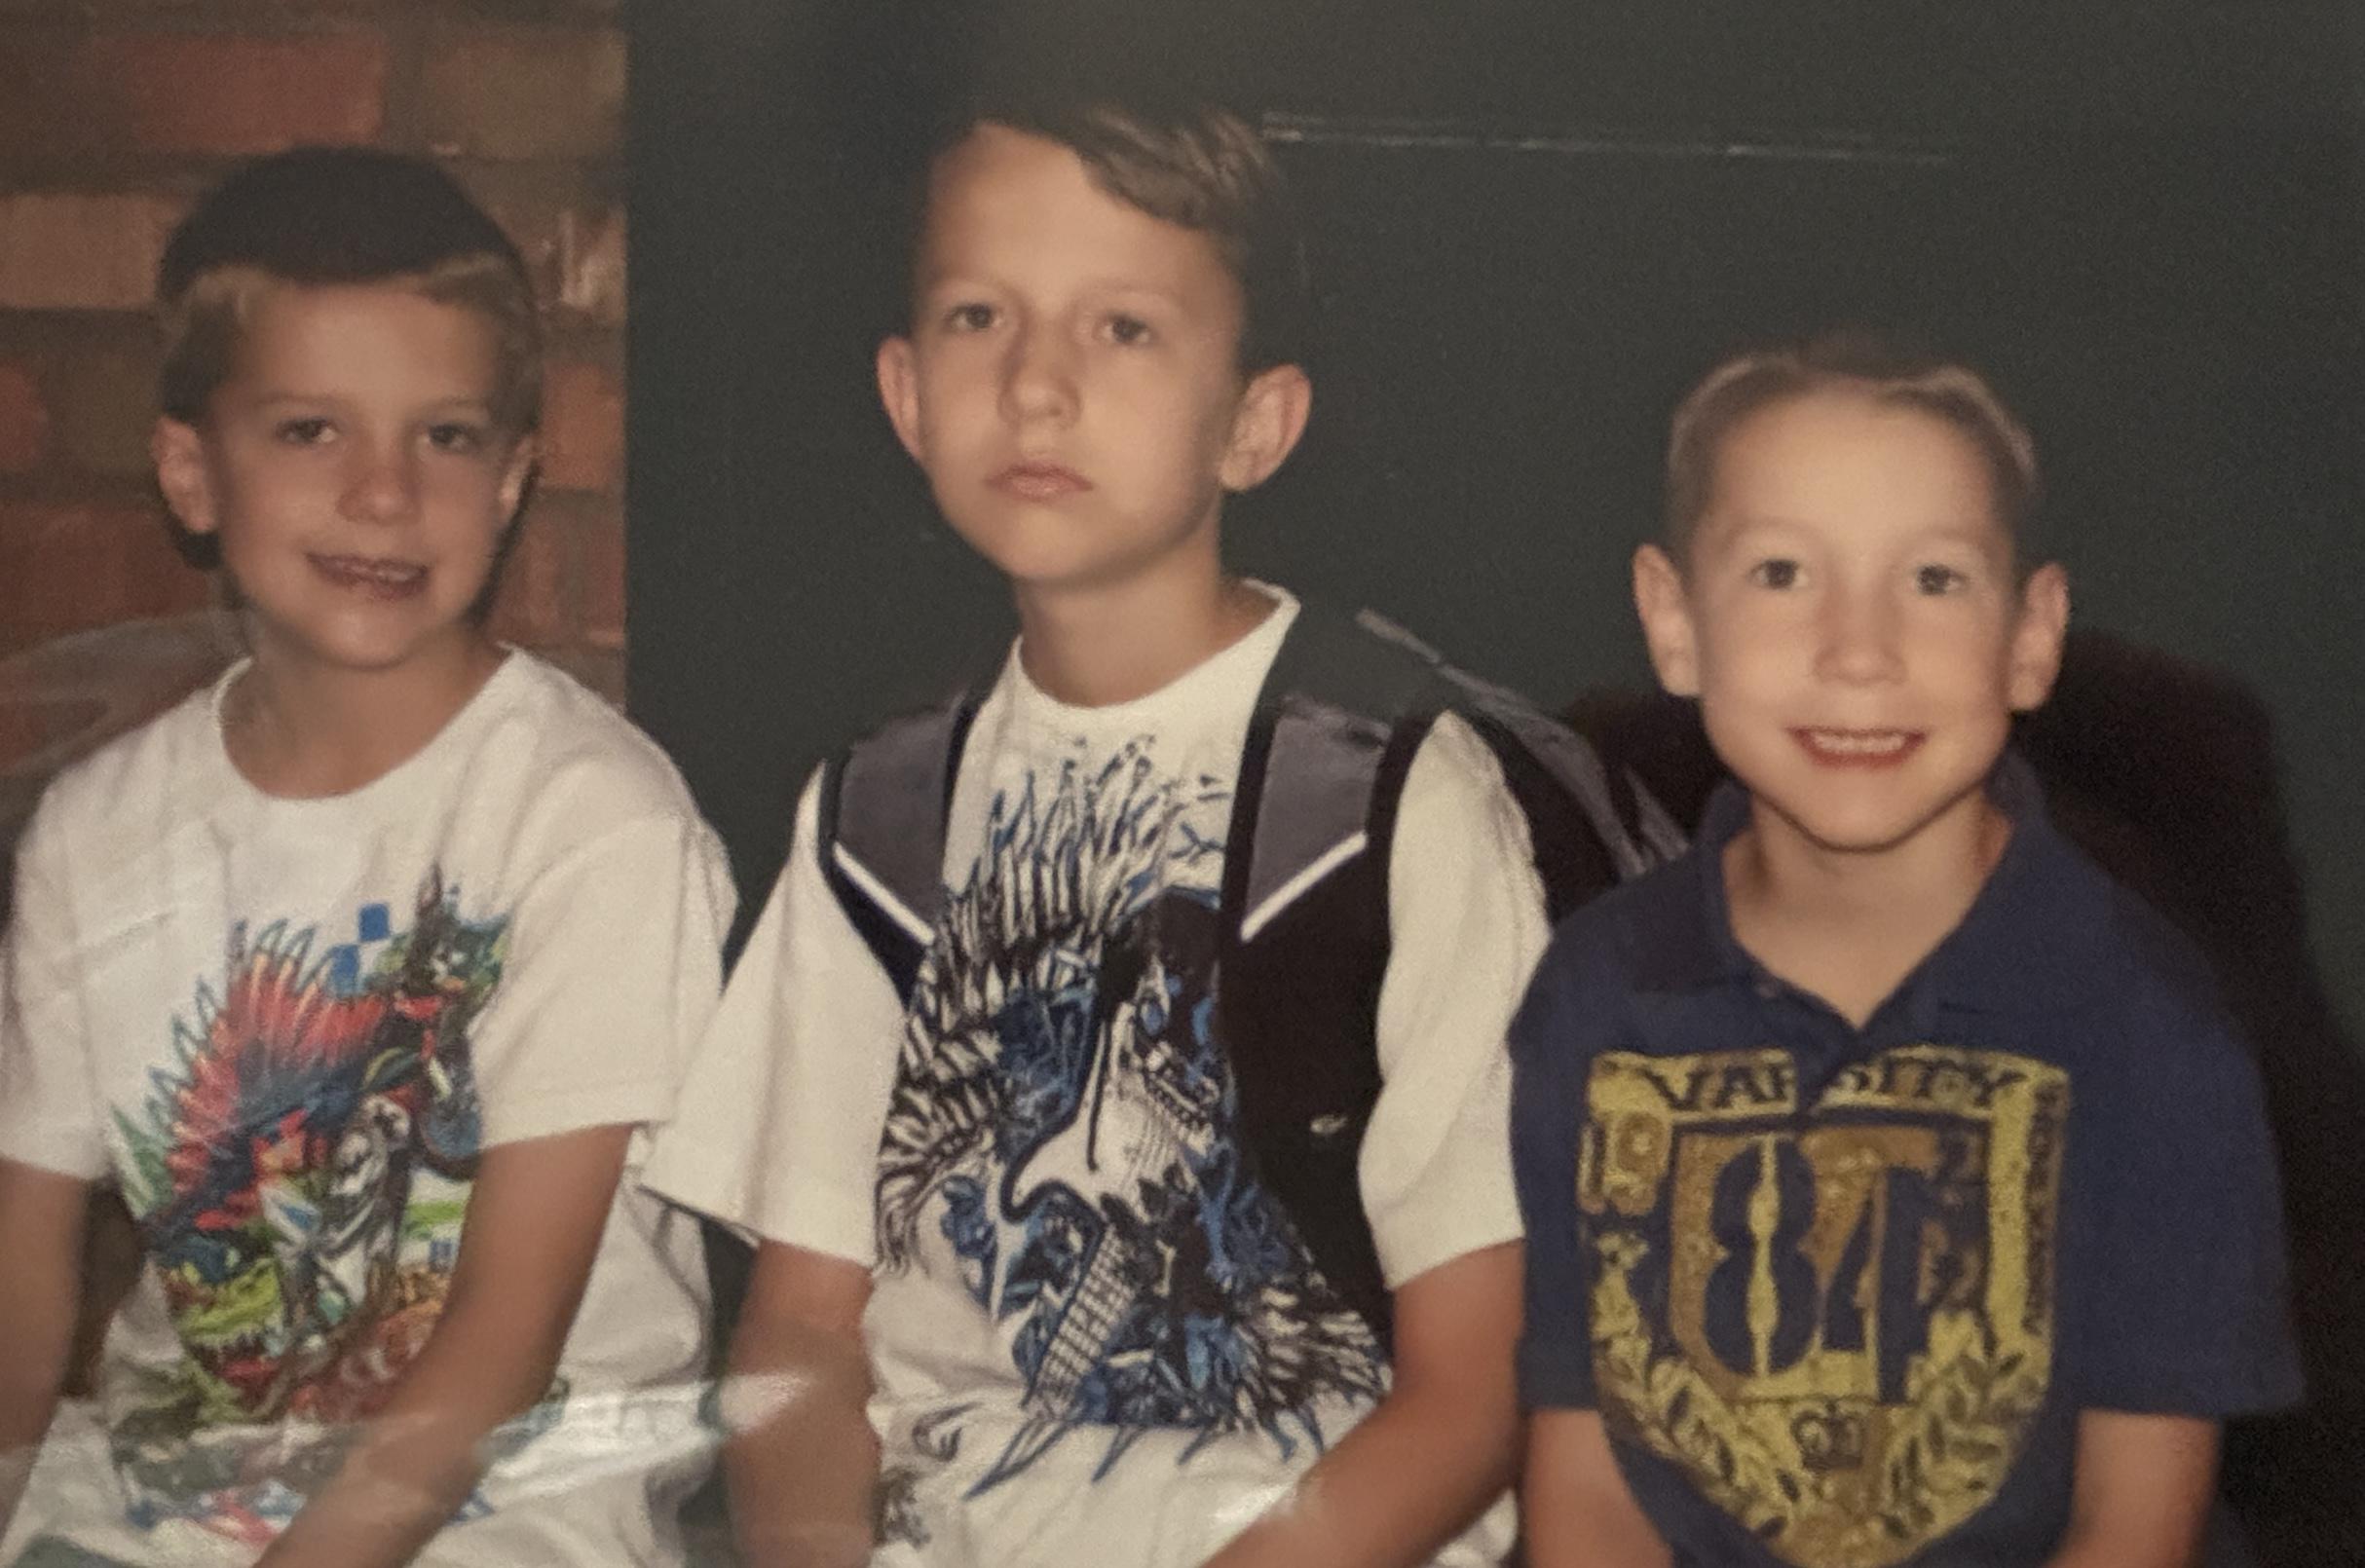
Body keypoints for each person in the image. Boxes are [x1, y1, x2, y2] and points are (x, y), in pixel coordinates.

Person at [645, 76, 1653, 1568]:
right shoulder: (880, 812)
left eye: (1122, 327)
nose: (1036, 385)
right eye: (980, 316)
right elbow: (802, 1324)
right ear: (906, 395)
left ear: (1255, 424)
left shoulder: (1387, 797)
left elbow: (1472, 1384)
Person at [0, 147, 733, 1568]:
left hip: (505, 1507)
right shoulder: (97, 832)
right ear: (190, 472)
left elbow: (501, 1349)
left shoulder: (590, 821)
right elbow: (24, 1285)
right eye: (310, 431)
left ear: (513, 478)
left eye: (445, 437)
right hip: (170, 1501)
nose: (385, 493)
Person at [1512, 332, 2302, 1567]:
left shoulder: (2147, 1020)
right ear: (1673, 621)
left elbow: (2132, 1523)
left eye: (1933, 579)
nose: (1858, 649)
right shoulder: (1598, 991)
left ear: (2030, 635)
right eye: (1781, 572)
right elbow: (1587, 1489)